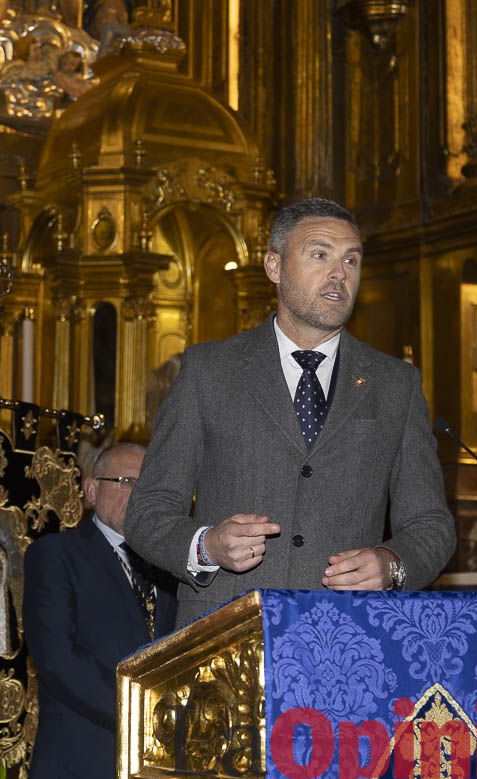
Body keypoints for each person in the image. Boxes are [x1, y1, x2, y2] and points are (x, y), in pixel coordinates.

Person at [126, 197, 455, 627]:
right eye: (320, 255)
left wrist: (391, 563)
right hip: (225, 634)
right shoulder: (210, 371)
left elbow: (431, 525)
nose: (339, 274)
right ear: (274, 267)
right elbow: (148, 511)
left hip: (347, 639)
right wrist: (206, 546)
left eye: (351, 260)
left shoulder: (396, 385)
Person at [24, 443, 177, 779]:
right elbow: (57, 659)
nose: (139, 495)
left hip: (158, 776)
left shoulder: (172, 569)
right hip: (81, 770)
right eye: (125, 481)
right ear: (91, 490)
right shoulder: (56, 555)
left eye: (148, 484)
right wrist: (142, 716)